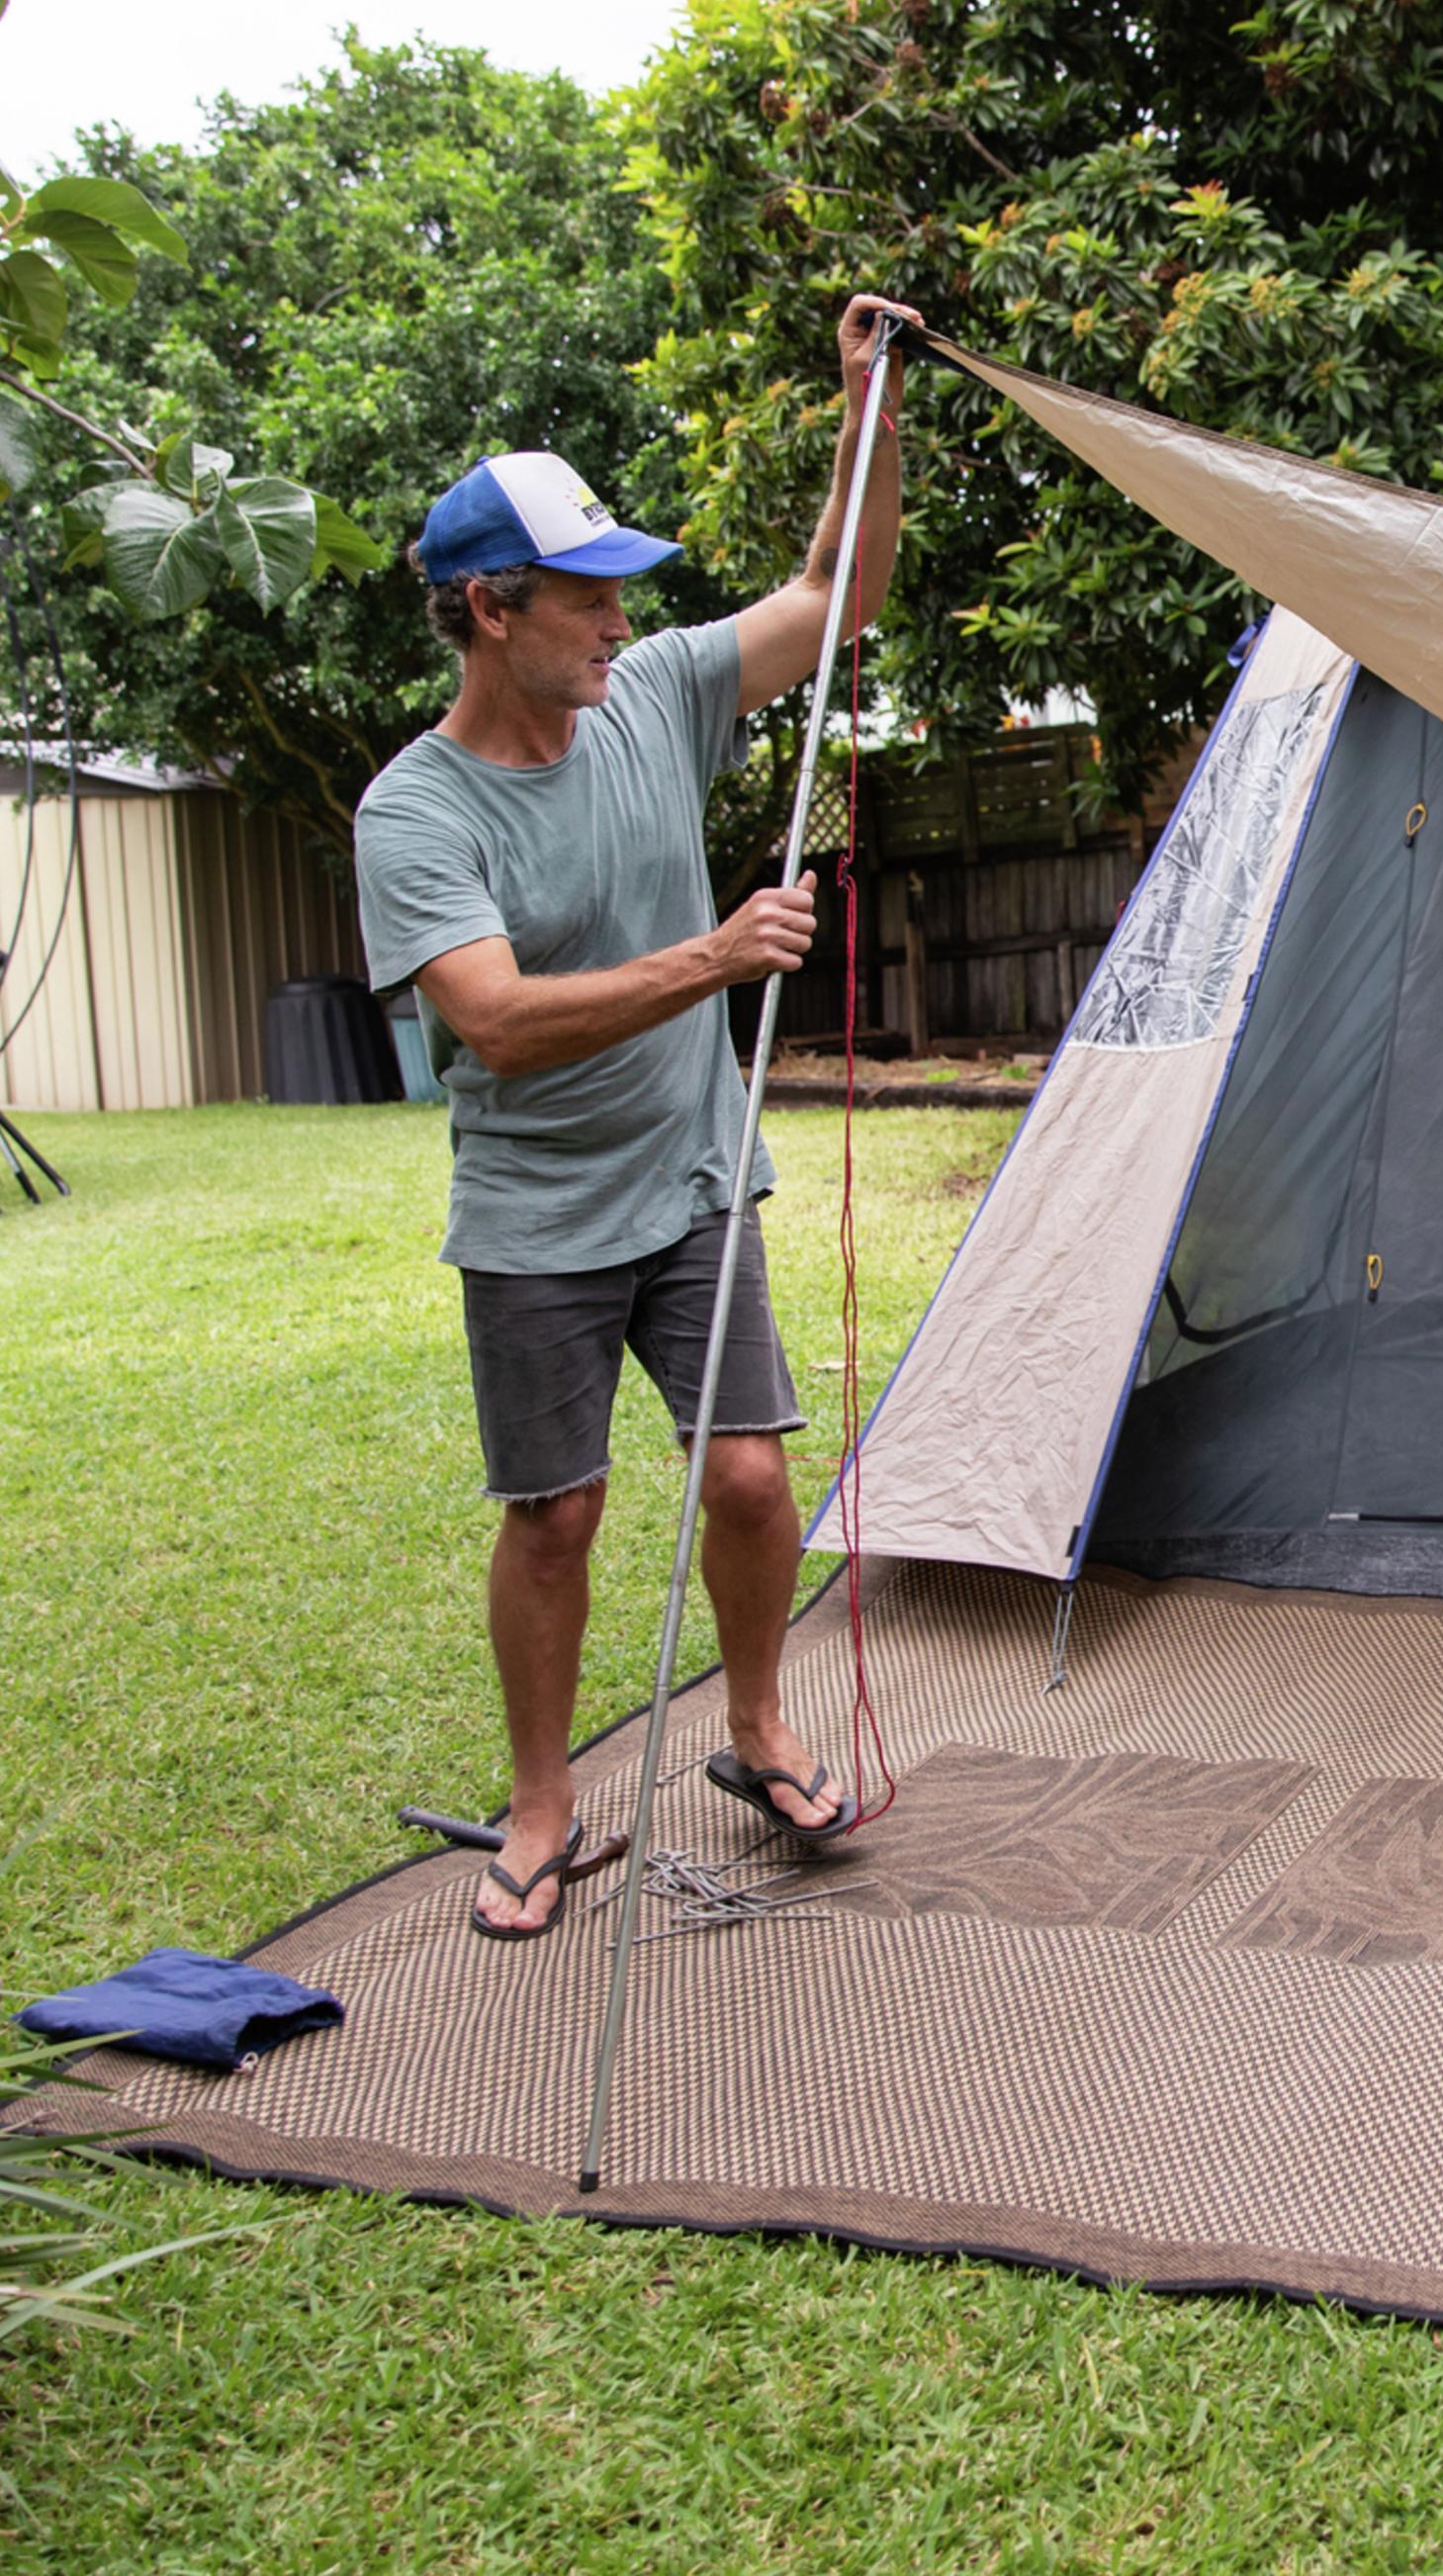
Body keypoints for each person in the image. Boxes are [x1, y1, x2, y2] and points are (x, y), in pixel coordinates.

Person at [355, 293, 924, 1939]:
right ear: (489, 609)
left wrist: (865, 409)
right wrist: (717, 956)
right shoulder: (418, 809)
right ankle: (543, 1807)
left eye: (621, 595)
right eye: (585, 596)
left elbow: (836, 593)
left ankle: (753, 1732)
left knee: (747, 1480)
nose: (619, 620)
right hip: (536, 1206)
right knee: (559, 1514)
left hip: (688, 1176)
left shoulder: (659, 695)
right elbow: (496, 1026)